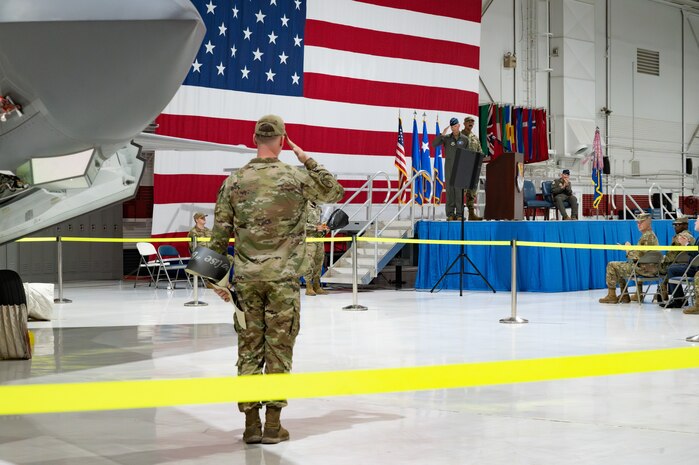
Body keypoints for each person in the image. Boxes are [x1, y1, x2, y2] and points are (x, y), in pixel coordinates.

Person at [208, 114, 344, 445]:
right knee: (279, 349)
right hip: (282, 280)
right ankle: (273, 425)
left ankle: (251, 424)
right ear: (282, 141)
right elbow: (335, 191)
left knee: (249, 348)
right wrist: (306, 158)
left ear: (254, 138)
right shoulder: (294, 177)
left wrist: (218, 283)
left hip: (246, 282)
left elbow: (217, 238)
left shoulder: (235, 181)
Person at [599, 213, 659, 304]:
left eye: (641, 222)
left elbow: (638, 257)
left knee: (612, 265)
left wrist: (627, 249)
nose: (638, 224)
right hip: (651, 268)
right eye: (637, 223)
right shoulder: (650, 235)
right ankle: (632, 294)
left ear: (648, 223)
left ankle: (612, 296)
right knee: (623, 265)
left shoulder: (647, 237)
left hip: (644, 270)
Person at [431, 117, 469, 221]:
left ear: (459, 126)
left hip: (460, 169)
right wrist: (442, 135)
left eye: (455, 126)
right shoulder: (447, 138)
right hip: (449, 169)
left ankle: (460, 214)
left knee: (459, 192)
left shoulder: (465, 139)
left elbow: (468, 156)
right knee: (450, 191)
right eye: (452, 127)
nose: (454, 129)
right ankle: (450, 214)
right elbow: (434, 144)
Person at [655, 217, 695, 304]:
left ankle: (665, 291)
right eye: (674, 225)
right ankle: (664, 289)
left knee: (652, 266)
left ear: (685, 225)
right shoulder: (691, 237)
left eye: (678, 225)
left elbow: (671, 257)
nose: (675, 227)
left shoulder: (680, 237)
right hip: (685, 265)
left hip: (676, 265)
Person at [663, 218, 698, 308]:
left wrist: (686, 244)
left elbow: (696, 254)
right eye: (674, 225)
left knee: (670, 268)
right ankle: (678, 298)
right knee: (673, 268)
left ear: (685, 225)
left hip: (696, 268)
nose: (695, 222)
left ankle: (678, 299)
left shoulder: (682, 236)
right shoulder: (695, 237)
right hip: (691, 264)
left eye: (697, 220)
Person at [303, 201, 329, 296]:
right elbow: (301, 224)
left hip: (319, 238)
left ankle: (316, 285)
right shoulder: (304, 206)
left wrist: (325, 227)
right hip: (309, 239)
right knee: (309, 262)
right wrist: (315, 228)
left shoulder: (318, 208)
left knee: (319, 262)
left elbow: (320, 223)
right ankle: (308, 286)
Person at [460, 115, 483, 221]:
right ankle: (459, 214)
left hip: (473, 168)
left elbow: (480, 152)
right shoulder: (459, 136)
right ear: (464, 123)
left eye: (472, 122)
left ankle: (471, 213)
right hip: (463, 167)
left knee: (471, 193)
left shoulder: (475, 138)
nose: (471, 123)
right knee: (461, 192)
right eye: (469, 121)